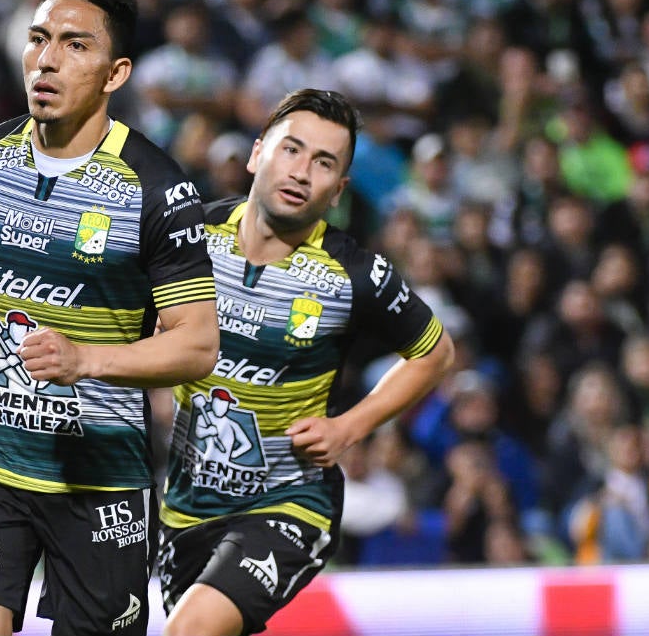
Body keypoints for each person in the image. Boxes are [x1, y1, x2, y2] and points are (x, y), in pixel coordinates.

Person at [0, 0, 219, 636]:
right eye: (39, 38)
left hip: (99, 480)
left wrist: (85, 358)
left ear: (115, 73)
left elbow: (198, 342)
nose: (47, 60)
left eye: (75, 44)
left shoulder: (157, 190)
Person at [156, 89, 455, 636]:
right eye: (291, 150)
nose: (301, 173)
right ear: (256, 155)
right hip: (185, 508)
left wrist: (350, 426)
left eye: (324, 163)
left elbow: (435, 354)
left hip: (290, 501)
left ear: (338, 190)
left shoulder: (354, 274)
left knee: (189, 631)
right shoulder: (188, 237)